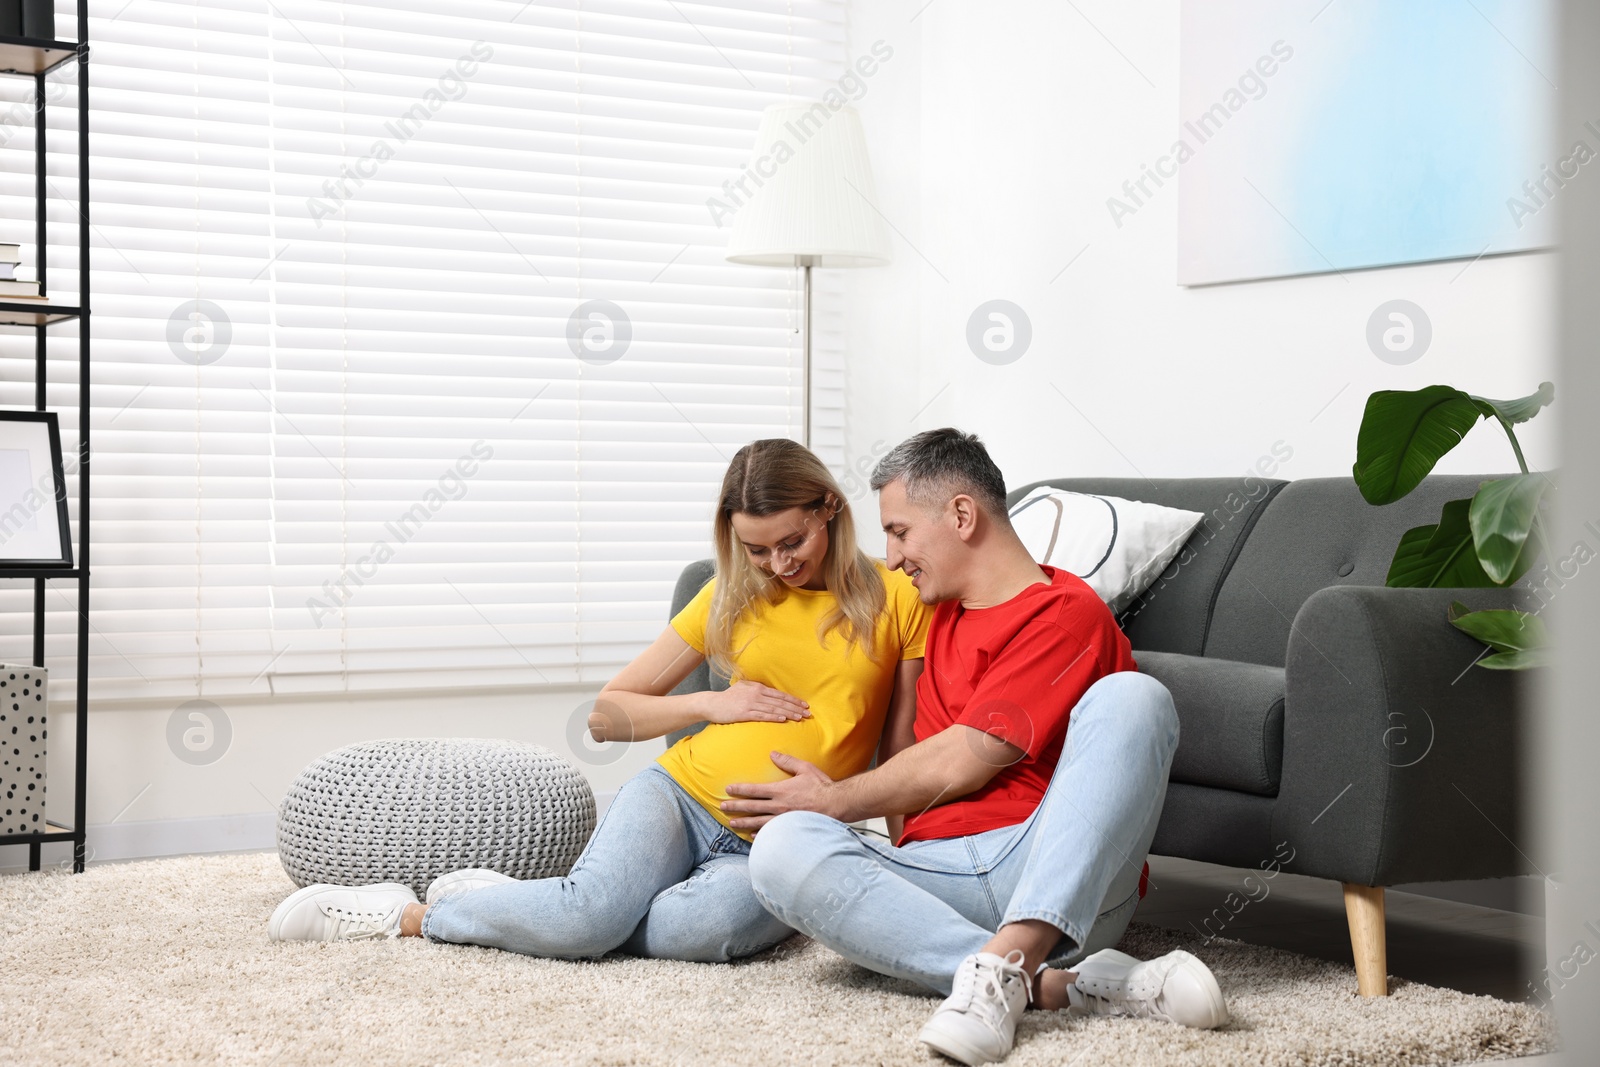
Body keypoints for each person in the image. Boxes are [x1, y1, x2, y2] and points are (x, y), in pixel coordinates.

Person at [268, 438, 932, 964]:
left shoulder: (896, 595)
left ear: (829, 508)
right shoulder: (731, 596)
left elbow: (902, 745)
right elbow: (608, 713)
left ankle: (528, 905)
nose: (779, 563)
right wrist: (711, 707)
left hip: (786, 835)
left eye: (794, 541)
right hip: (683, 795)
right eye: (757, 549)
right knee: (590, 919)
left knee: (705, 932)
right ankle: (408, 915)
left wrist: (909, 866)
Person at [724, 428, 1228, 1065]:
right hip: (940, 876)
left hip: (1049, 867)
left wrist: (832, 800)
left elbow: (968, 756)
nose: (894, 555)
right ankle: (1055, 985)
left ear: (962, 515)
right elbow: (827, 587)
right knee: (781, 848)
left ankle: (1007, 961)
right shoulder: (936, 613)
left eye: (901, 532)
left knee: (1136, 697)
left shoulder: (1065, 612)